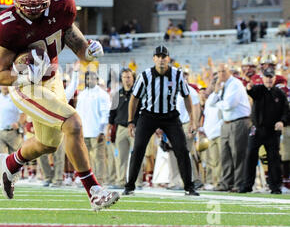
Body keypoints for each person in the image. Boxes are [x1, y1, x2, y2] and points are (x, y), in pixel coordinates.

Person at [0, 0, 119, 210]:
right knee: (72, 123)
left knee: (49, 143)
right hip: (25, 86)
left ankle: (10, 164)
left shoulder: (63, 6)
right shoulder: (8, 25)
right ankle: (94, 191)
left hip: (53, 78)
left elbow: (74, 41)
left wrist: (89, 51)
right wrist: (24, 77)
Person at [123, 45, 199, 196]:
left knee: (182, 149)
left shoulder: (177, 75)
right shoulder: (145, 75)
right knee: (138, 148)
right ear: (154, 59)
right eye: (158, 56)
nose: (161, 59)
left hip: (170, 116)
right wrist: (131, 121)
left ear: (168, 59)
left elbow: (187, 97)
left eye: (164, 56)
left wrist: (193, 120)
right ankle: (130, 185)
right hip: (148, 115)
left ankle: (189, 187)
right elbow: (134, 99)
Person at [240, 68, 289, 194]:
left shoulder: (280, 93)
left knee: (274, 158)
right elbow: (251, 91)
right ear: (263, 78)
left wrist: (282, 122)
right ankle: (247, 185)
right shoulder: (259, 89)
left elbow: (286, 111)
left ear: (274, 78)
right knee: (250, 156)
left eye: (271, 76)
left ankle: (275, 186)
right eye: (266, 76)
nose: (268, 79)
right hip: (257, 129)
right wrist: (249, 87)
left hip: (273, 131)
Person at [207, 63, 251, 192]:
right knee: (225, 155)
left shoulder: (235, 84)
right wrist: (215, 91)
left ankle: (239, 184)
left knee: (238, 154)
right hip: (226, 123)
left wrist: (217, 103)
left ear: (229, 72)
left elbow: (229, 105)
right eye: (219, 72)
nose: (221, 74)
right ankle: (225, 183)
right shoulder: (223, 86)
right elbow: (210, 103)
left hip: (238, 122)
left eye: (223, 71)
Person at [75, 71, 111, 185]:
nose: (90, 81)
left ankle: (100, 181)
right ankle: (89, 181)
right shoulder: (82, 94)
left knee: (99, 159)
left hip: (96, 132)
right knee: (85, 159)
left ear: (97, 80)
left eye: (93, 78)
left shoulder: (102, 94)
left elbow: (105, 114)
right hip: (84, 132)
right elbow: (78, 114)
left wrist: (102, 131)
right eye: (88, 79)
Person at [107, 68, 135, 188]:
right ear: (121, 79)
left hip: (135, 128)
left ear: (133, 78)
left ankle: (136, 182)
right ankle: (120, 181)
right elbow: (112, 112)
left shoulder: (138, 93)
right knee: (120, 158)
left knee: (136, 156)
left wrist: (135, 124)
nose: (126, 79)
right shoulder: (117, 94)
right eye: (124, 77)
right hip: (120, 128)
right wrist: (109, 126)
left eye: (129, 77)